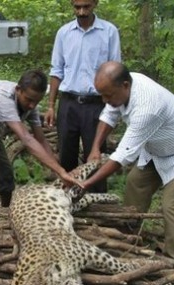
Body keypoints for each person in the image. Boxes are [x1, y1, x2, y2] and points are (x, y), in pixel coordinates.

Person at [79, 61, 174, 261]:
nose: (105, 100)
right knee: (135, 184)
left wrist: (87, 182)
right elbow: (109, 115)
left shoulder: (147, 107)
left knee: (171, 205)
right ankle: (129, 241)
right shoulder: (123, 87)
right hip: (157, 150)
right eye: (102, 96)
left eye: (108, 96)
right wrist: (95, 148)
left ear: (125, 85)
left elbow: (122, 155)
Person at [0, 69, 78, 207]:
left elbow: (41, 139)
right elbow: (26, 139)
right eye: (28, 100)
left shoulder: (31, 105)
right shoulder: (3, 99)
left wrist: (58, 169)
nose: (32, 105)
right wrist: (61, 172)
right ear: (18, 90)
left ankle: (5, 212)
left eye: (36, 101)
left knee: (6, 178)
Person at [45, 0, 121, 193]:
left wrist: (114, 107)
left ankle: (97, 202)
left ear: (95, 3)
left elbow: (115, 70)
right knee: (66, 154)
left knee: (95, 155)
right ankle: (67, 197)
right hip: (68, 102)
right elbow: (56, 71)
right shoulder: (64, 33)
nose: (81, 11)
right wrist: (51, 105)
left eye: (86, 7)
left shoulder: (109, 32)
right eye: (77, 7)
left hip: (96, 104)